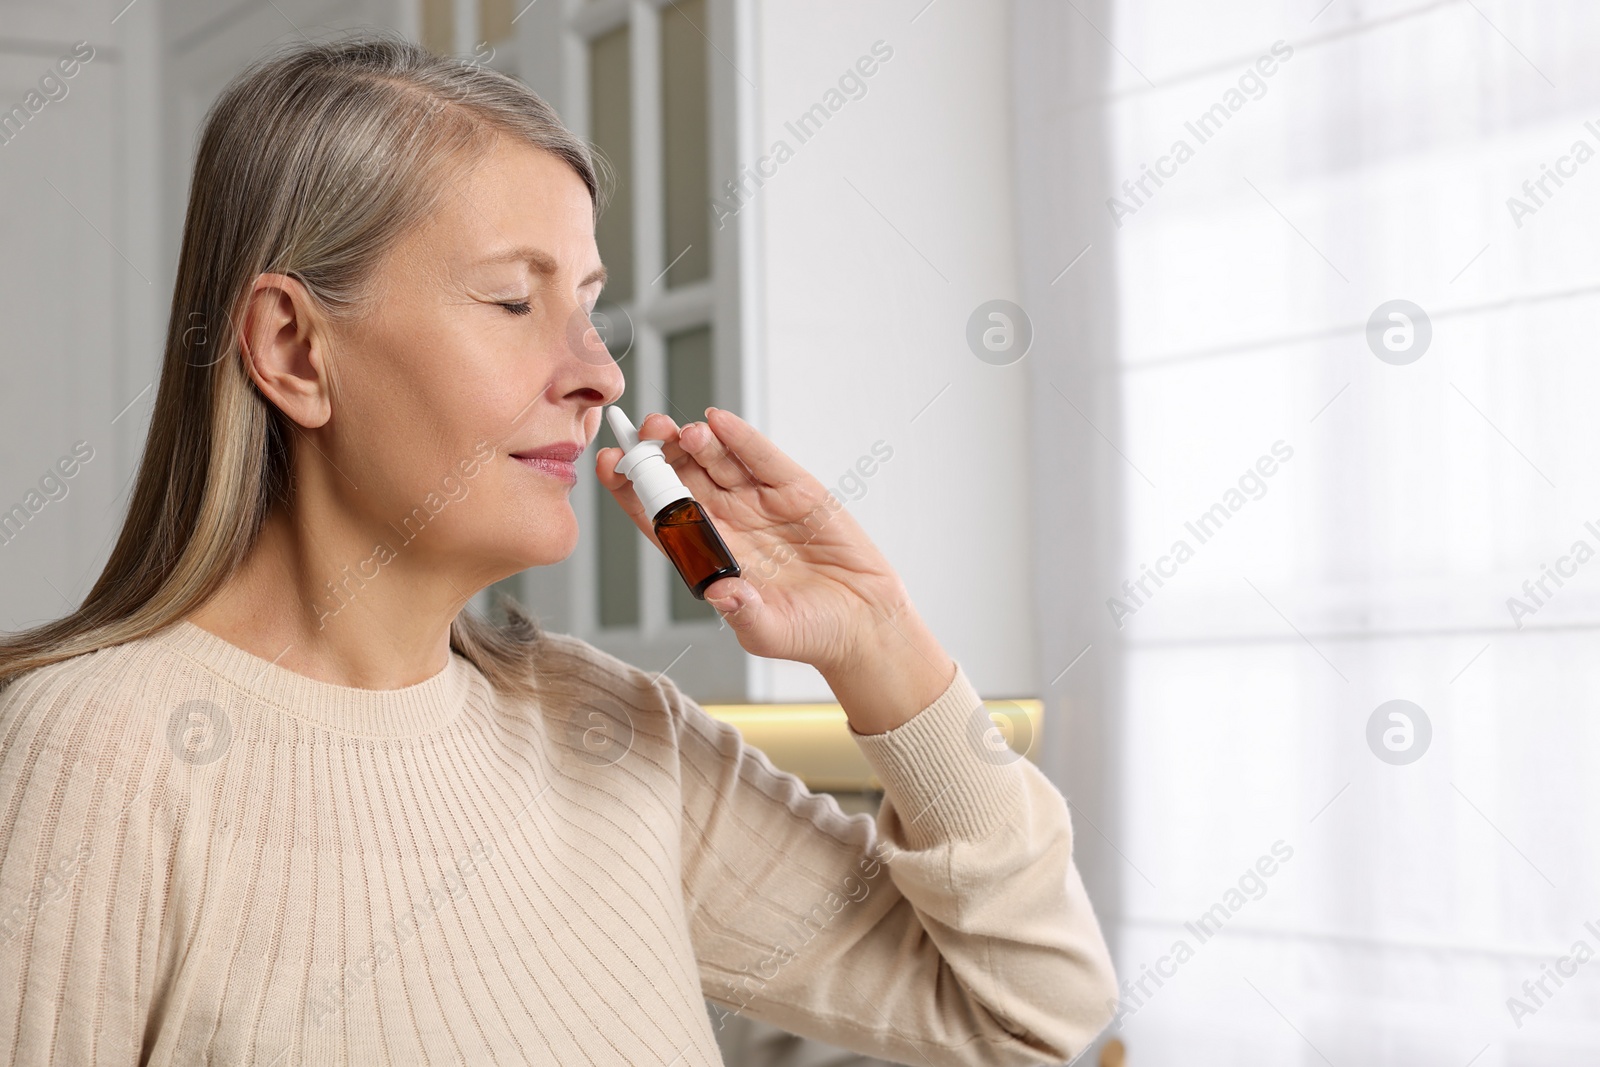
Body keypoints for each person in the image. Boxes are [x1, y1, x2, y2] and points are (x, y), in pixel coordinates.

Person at [0, 31, 1116, 1065]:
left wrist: (880, 644)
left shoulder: (605, 731)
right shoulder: (96, 753)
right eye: (509, 299)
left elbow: (1032, 1007)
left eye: (587, 303)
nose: (599, 373)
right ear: (293, 348)